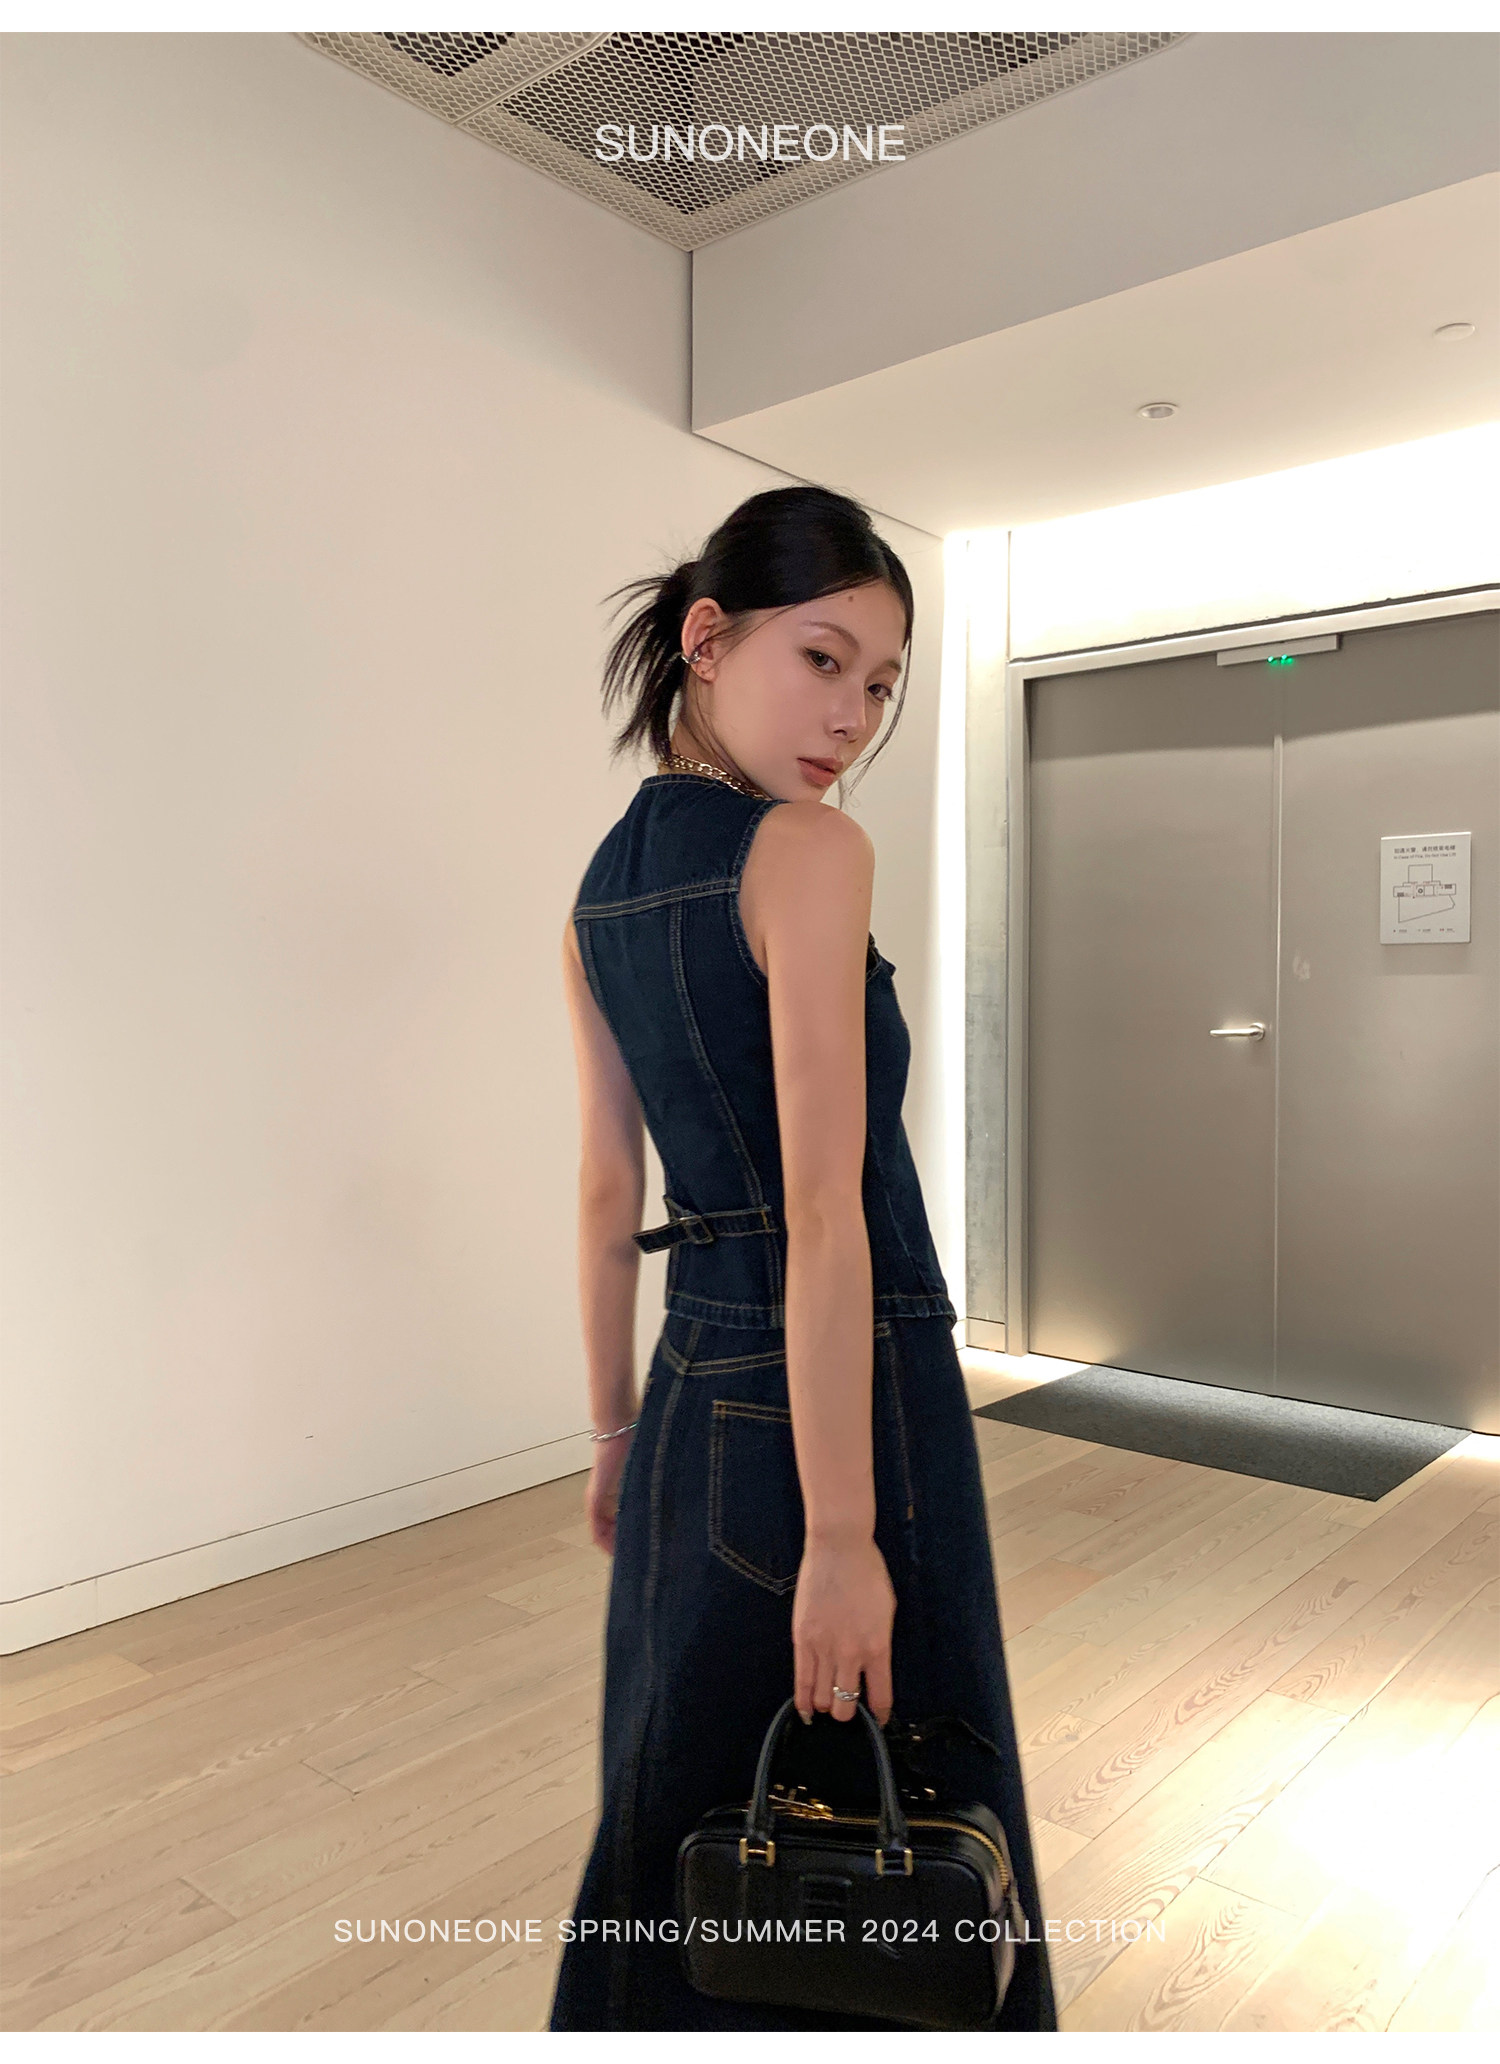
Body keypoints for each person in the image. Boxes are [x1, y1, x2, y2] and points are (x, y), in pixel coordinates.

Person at [547, 485, 1057, 2031]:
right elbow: (824, 1211)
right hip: (851, 1378)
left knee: (682, 1780)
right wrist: (841, 1535)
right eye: (823, 659)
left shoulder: (598, 893)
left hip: (691, 1380)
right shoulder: (810, 850)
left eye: (883, 684)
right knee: (909, 1790)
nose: (853, 716)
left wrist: (617, 1429)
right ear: (708, 640)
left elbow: (605, 1187)